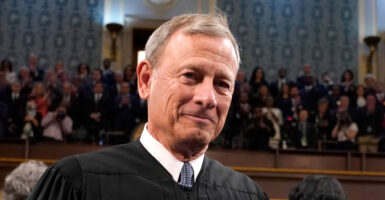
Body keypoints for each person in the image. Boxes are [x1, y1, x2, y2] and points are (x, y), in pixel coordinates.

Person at [28, 13, 269, 199]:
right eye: (190, 76)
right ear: (145, 80)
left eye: (222, 84)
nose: (208, 98)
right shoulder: (78, 182)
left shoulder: (248, 194)